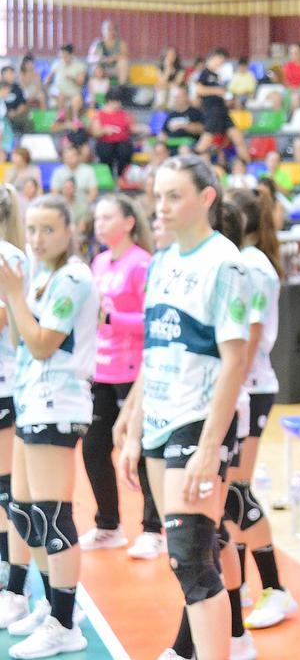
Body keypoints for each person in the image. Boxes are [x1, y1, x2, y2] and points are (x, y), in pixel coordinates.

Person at [116, 156, 250, 660]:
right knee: (193, 552)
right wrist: (131, 428)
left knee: (190, 558)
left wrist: (209, 449)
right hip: (156, 421)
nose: (161, 207)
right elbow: (154, 352)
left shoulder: (226, 262)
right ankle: (190, 646)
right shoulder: (161, 262)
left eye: (174, 196)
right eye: (157, 197)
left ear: (206, 198)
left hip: (197, 421)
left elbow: (236, 362)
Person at [0, 194, 97, 657]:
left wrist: (15, 295)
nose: (37, 239)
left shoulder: (74, 277)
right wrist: (18, 295)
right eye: (32, 229)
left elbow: (41, 345)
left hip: (59, 403)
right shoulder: (42, 277)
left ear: (68, 231)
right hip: (31, 400)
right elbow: (20, 336)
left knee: (54, 516)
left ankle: (65, 621)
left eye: (48, 230)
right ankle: (53, 606)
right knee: (24, 510)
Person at [221, 188, 296, 632]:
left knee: (237, 492)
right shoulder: (252, 260)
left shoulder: (250, 264)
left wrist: (232, 390)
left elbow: (247, 340)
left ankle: (275, 589)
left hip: (250, 387)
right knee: (233, 493)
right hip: (248, 385)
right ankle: (250, 582)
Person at [81, 196, 161, 558]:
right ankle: (108, 525)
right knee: (95, 446)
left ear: (129, 222)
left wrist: (111, 320)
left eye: (107, 217)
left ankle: (154, 530)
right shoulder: (98, 262)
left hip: (135, 374)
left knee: (140, 450)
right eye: (97, 218)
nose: (100, 224)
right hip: (102, 370)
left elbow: (151, 322)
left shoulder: (142, 264)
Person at [0, 186, 25, 619]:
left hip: (7, 382)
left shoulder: (11, 256)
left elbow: (10, 316)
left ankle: (10, 569)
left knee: (7, 486)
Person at [194, 48, 250, 164]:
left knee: (238, 139)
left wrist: (227, 99)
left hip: (223, 111)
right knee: (205, 141)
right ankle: (192, 163)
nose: (222, 63)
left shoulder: (218, 76)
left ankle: (247, 165)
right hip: (212, 112)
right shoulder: (205, 73)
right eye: (221, 60)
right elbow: (199, 90)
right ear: (215, 57)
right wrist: (217, 91)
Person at [89, 93, 137, 178]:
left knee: (125, 150)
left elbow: (132, 128)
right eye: (116, 102)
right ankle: (108, 176)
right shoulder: (99, 114)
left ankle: (122, 176)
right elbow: (95, 133)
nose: (118, 104)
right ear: (109, 102)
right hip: (105, 142)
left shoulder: (125, 114)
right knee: (106, 151)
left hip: (122, 142)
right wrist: (104, 130)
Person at [87, 20, 130, 86]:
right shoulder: (98, 43)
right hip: (102, 68)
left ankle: (122, 87)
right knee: (96, 67)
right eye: (108, 29)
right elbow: (90, 58)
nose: (111, 31)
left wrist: (112, 58)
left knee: (124, 62)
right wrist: (102, 59)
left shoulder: (121, 43)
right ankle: (98, 90)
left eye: (113, 29)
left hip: (114, 69)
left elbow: (125, 56)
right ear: (103, 30)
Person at [47, 45, 87, 109]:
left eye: (65, 56)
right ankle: (61, 114)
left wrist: (73, 78)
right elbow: (49, 78)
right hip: (59, 91)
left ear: (71, 55)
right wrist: (46, 85)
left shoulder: (79, 66)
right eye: (61, 56)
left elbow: (81, 82)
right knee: (60, 95)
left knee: (76, 98)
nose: (63, 58)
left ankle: (74, 117)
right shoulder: (57, 64)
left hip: (73, 92)